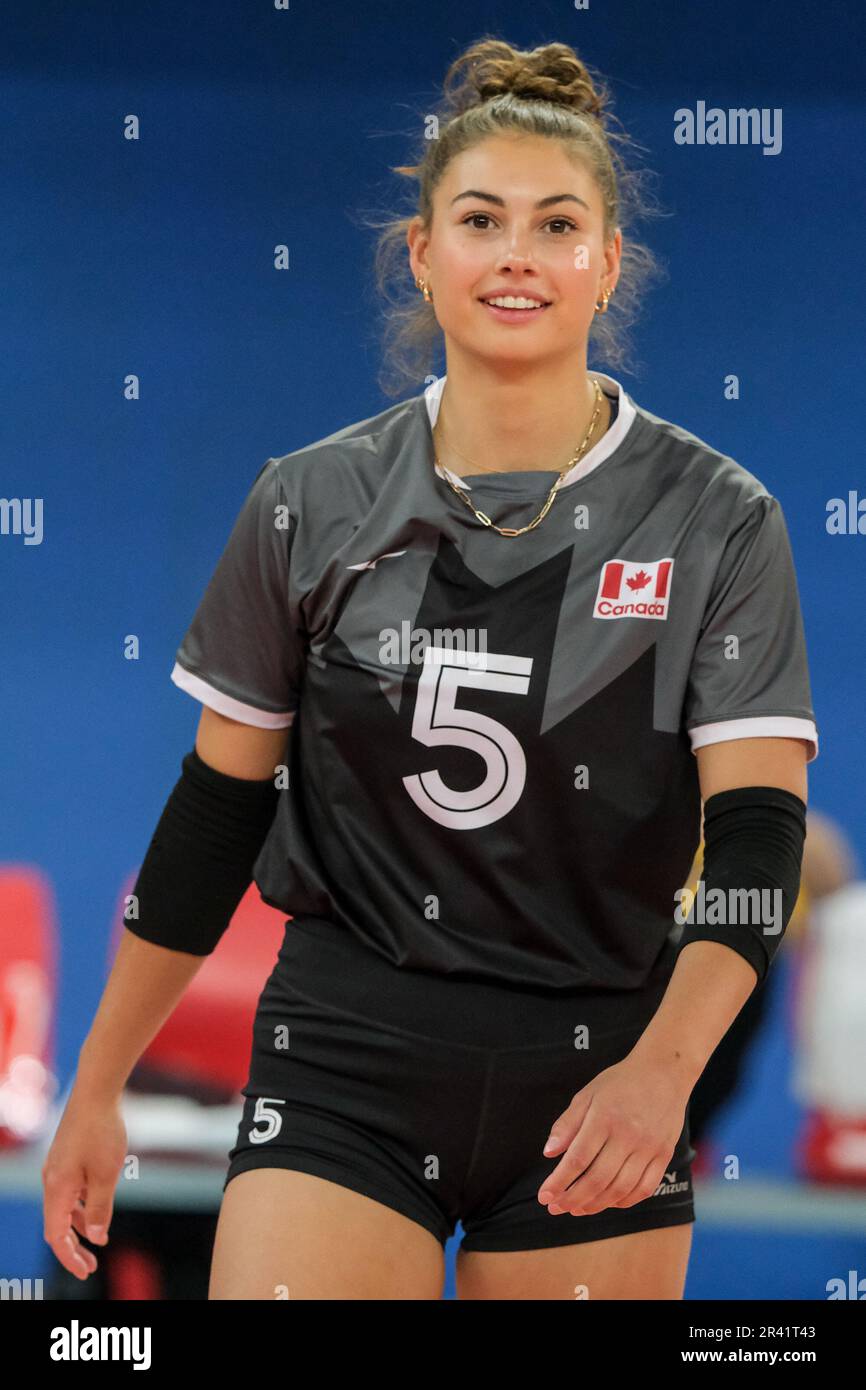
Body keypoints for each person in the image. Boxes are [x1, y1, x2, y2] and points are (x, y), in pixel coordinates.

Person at [42, 36, 818, 1301]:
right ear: (421, 252)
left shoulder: (717, 519)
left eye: (557, 224)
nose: (517, 253)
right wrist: (96, 1081)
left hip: (600, 1059)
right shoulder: (307, 501)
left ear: (607, 261)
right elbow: (213, 815)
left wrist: (662, 1073)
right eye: (479, 219)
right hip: (346, 1054)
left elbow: (751, 842)